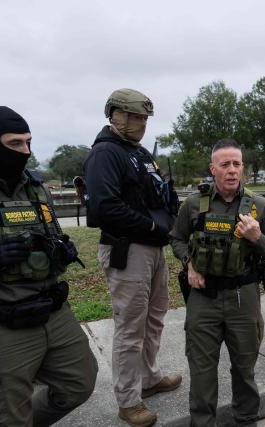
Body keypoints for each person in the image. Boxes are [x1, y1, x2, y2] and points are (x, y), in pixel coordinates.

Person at [0, 106, 98, 426]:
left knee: (78, 385)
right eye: (15, 143)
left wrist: (60, 249)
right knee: (2, 418)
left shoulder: (37, 189)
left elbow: (48, 235)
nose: (25, 152)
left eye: (29, 142)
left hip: (53, 314)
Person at [83, 88, 181, 427]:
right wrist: (153, 224)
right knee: (130, 327)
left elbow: (153, 193)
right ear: (114, 115)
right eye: (134, 116)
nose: (140, 123)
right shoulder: (105, 153)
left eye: (144, 118)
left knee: (154, 318)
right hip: (129, 248)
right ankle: (128, 399)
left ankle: (149, 377)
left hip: (154, 247)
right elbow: (104, 206)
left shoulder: (139, 153)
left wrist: (170, 211)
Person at [170, 138, 265, 426]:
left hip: (242, 297)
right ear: (213, 169)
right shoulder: (194, 204)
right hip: (203, 297)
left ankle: (246, 418)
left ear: (242, 167)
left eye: (237, 164)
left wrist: (257, 237)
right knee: (202, 371)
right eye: (225, 165)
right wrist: (190, 264)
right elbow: (177, 238)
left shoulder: (259, 205)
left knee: (244, 368)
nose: (232, 170)